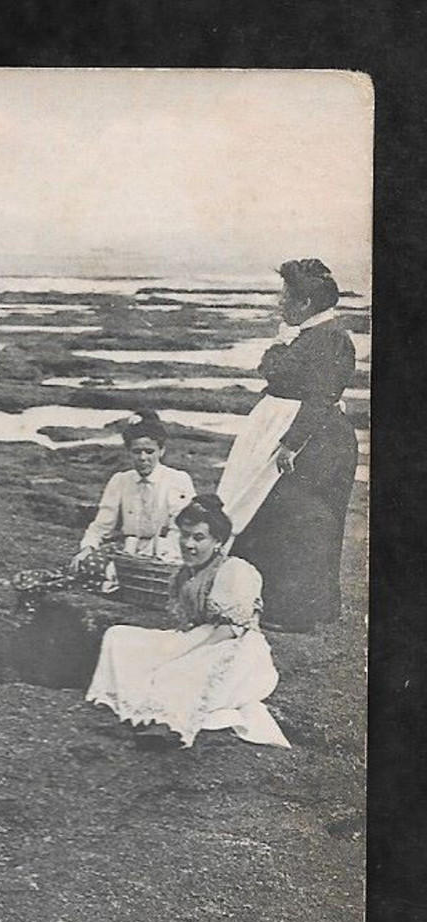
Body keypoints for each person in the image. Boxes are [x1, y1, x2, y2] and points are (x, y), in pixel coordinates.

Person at [216, 258, 359, 632]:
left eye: (286, 296)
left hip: (317, 444)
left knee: (303, 525)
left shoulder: (332, 338)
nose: (281, 303)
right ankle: (270, 601)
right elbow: (271, 370)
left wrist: (290, 445)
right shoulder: (301, 334)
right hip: (290, 433)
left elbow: (321, 398)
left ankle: (299, 614)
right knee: (274, 518)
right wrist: (281, 343)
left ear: (305, 304)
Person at [86, 495, 289, 751]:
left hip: (237, 648)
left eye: (198, 538)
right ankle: (131, 704)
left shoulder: (234, 571)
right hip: (202, 635)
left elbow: (230, 630)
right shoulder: (183, 574)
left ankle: (168, 724)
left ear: (217, 541)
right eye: (184, 535)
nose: (188, 544)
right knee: (119, 637)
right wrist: (176, 647)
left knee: (182, 669)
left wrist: (183, 653)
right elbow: (187, 626)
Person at [72, 411, 197, 569]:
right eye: (136, 452)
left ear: (162, 451)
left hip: (166, 553)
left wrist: (163, 556)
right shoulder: (120, 480)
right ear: (128, 451)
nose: (143, 458)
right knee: (84, 566)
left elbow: (180, 528)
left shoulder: (177, 479)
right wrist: (87, 548)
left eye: (149, 451)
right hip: (127, 550)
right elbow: (101, 526)